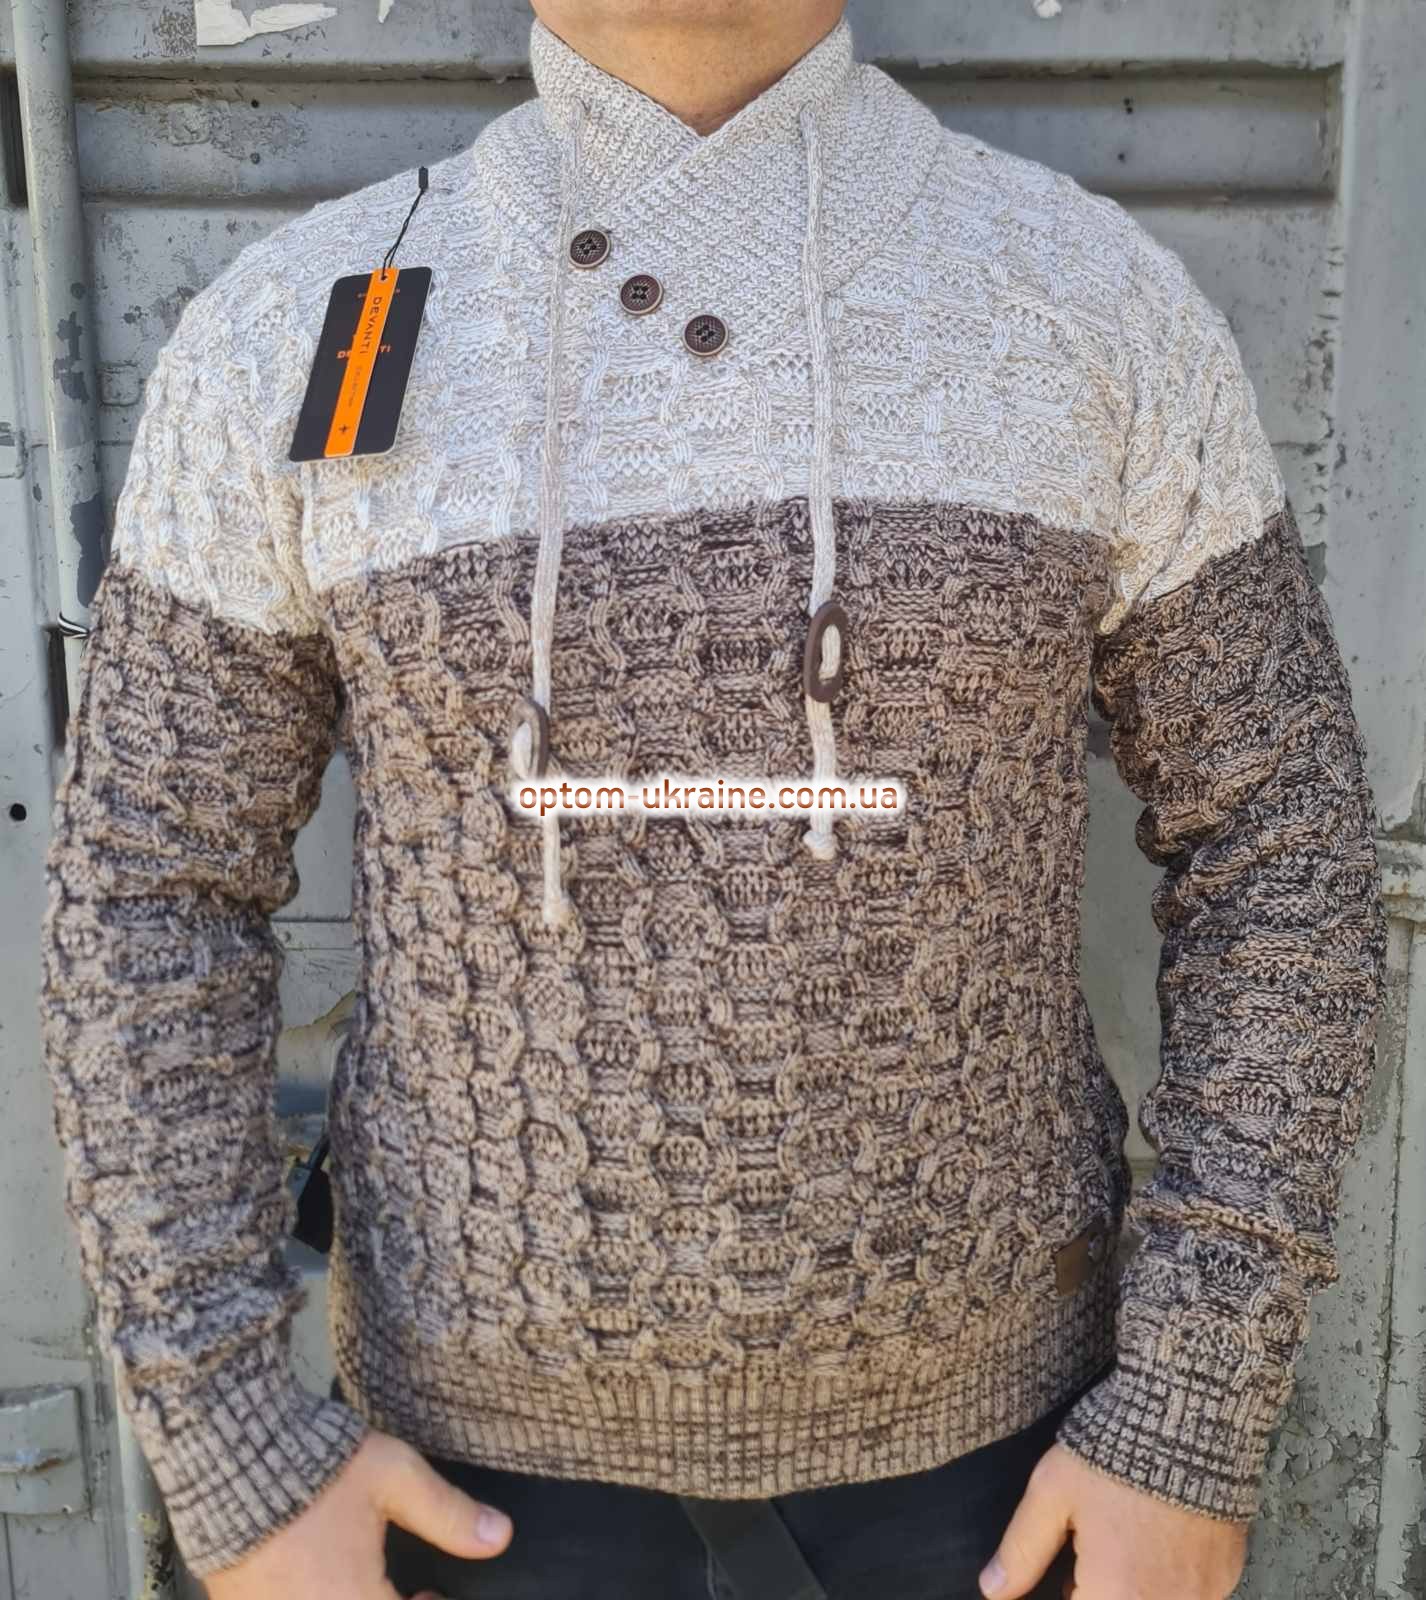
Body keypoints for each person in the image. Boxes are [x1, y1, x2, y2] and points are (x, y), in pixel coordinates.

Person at [37, 2, 1388, 1597]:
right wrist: (233, 1448)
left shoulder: (1091, 303)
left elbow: (1279, 845)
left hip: (1013, 1480)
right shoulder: (295, 323)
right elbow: (147, 881)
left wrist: (1189, 1414)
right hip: (460, 1486)